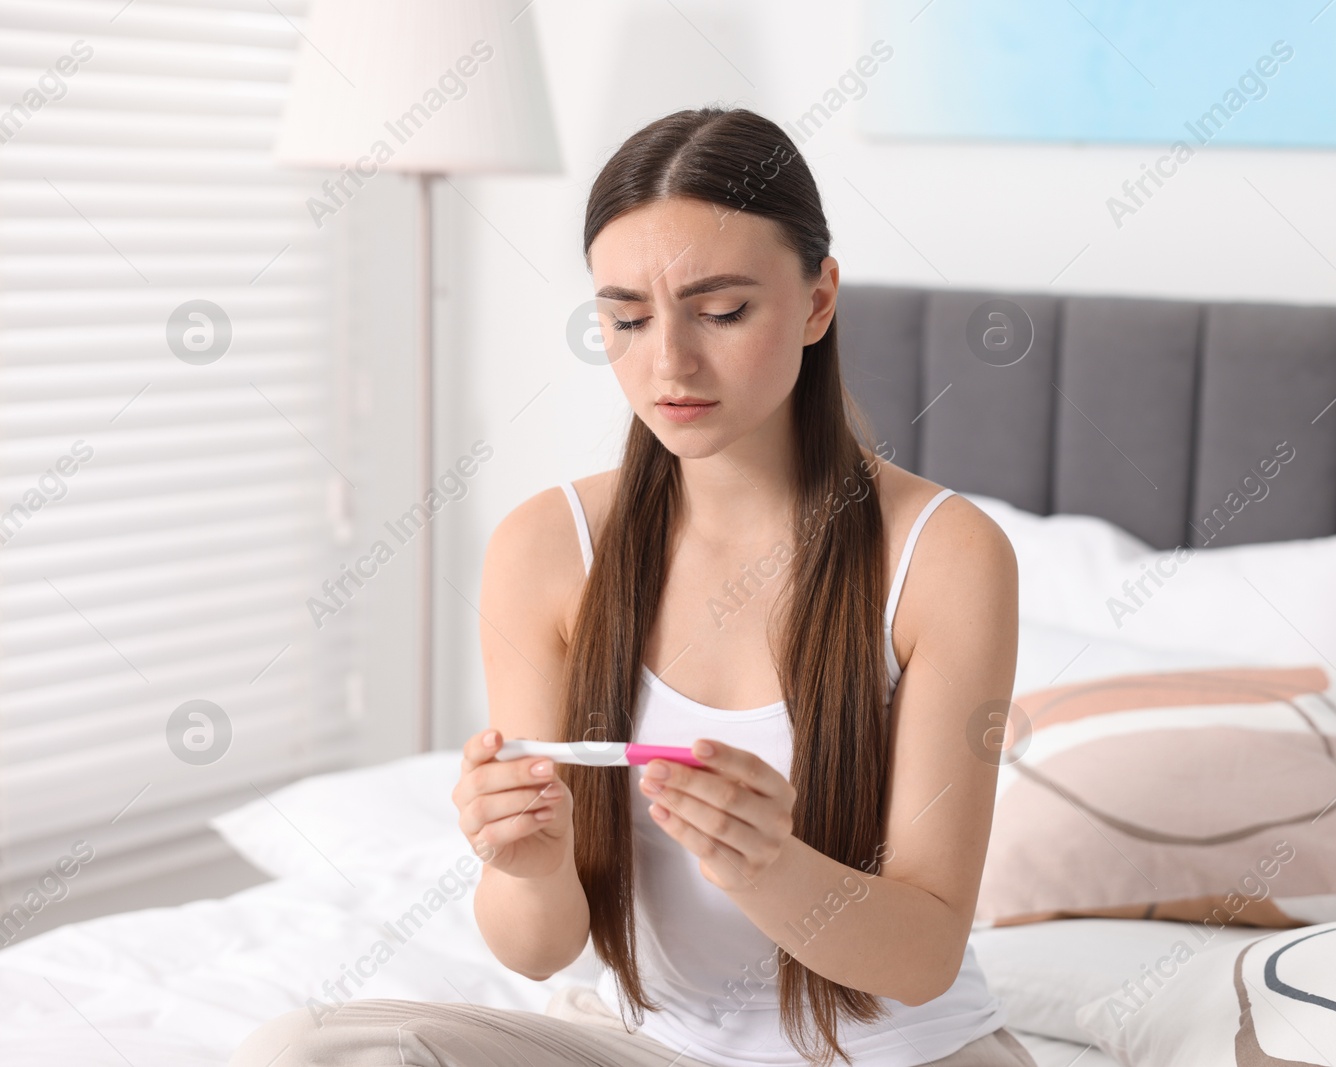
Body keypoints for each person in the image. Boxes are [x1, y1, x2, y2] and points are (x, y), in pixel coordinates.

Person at [230, 106, 1030, 1067]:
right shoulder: (549, 546)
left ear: (819, 300)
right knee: (305, 1049)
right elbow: (538, 948)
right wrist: (526, 863)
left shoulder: (943, 555)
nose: (669, 364)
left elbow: (924, 956)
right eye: (627, 318)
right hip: (659, 1050)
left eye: (723, 311)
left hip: (906, 1057)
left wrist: (771, 865)